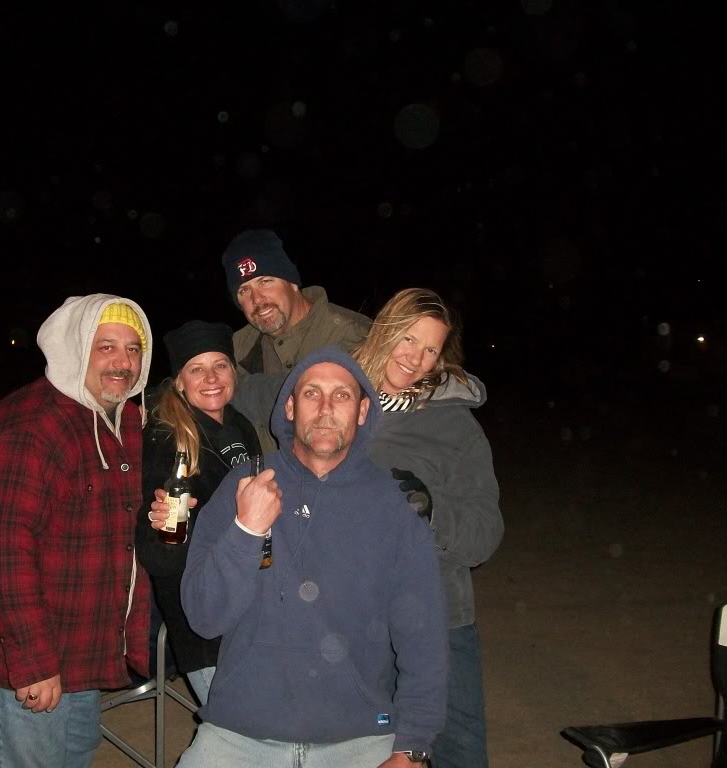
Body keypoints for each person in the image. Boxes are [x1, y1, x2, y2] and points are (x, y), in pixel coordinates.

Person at [233, 288, 503, 768]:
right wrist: (186, 380)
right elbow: (239, 389)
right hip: (347, 624)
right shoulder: (335, 395)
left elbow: (486, 532)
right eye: (408, 338)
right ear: (383, 329)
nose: (415, 358)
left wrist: (433, 511)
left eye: (431, 350)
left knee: (456, 751)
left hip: (437, 616)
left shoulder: (455, 427)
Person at [164, 346, 448, 767]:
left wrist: (412, 748)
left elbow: (424, 640)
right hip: (240, 733)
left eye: (342, 395)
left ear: (363, 411)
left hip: (360, 736)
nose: (326, 408)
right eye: (312, 393)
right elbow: (204, 617)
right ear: (291, 407)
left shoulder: (393, 507)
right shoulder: (244, 485)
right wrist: (246, 530)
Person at [0, 294, 154, 768]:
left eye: (133, 348)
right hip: (20, 661)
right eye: (106, 347)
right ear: (75, 347)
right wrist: (34, 661)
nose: (123, 362)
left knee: (74, 756)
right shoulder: (28, 426)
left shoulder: (125, 421)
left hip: (81, 652)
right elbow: (2, 550)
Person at [134, 320, 261, 706]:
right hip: (204, 618)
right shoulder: (167, 439)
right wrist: (167, 527)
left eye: (220, 365)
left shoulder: (241, 426)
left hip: (252, 605)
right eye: (196, 369)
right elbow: (161, 556)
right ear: (179, 382)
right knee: (242, 728)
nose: (211, 378)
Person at [221, 228, 372, 450]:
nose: (257, 299)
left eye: (265, 281)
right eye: (244, 290)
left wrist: (245, 390)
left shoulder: (356, 336)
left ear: (292, 282)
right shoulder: (235, 348)